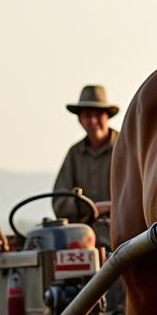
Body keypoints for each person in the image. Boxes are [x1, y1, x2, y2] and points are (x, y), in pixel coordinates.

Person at [53, 85, 119, 222]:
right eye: (88, 115)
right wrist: (91, 208)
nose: (93, 121)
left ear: (108, 117)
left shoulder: (126, 147)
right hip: (85, 234)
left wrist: (115, 206)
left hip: (127, 233)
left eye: (98, 115)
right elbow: (59, 203)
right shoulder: (74, 154)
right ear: (80, 120)